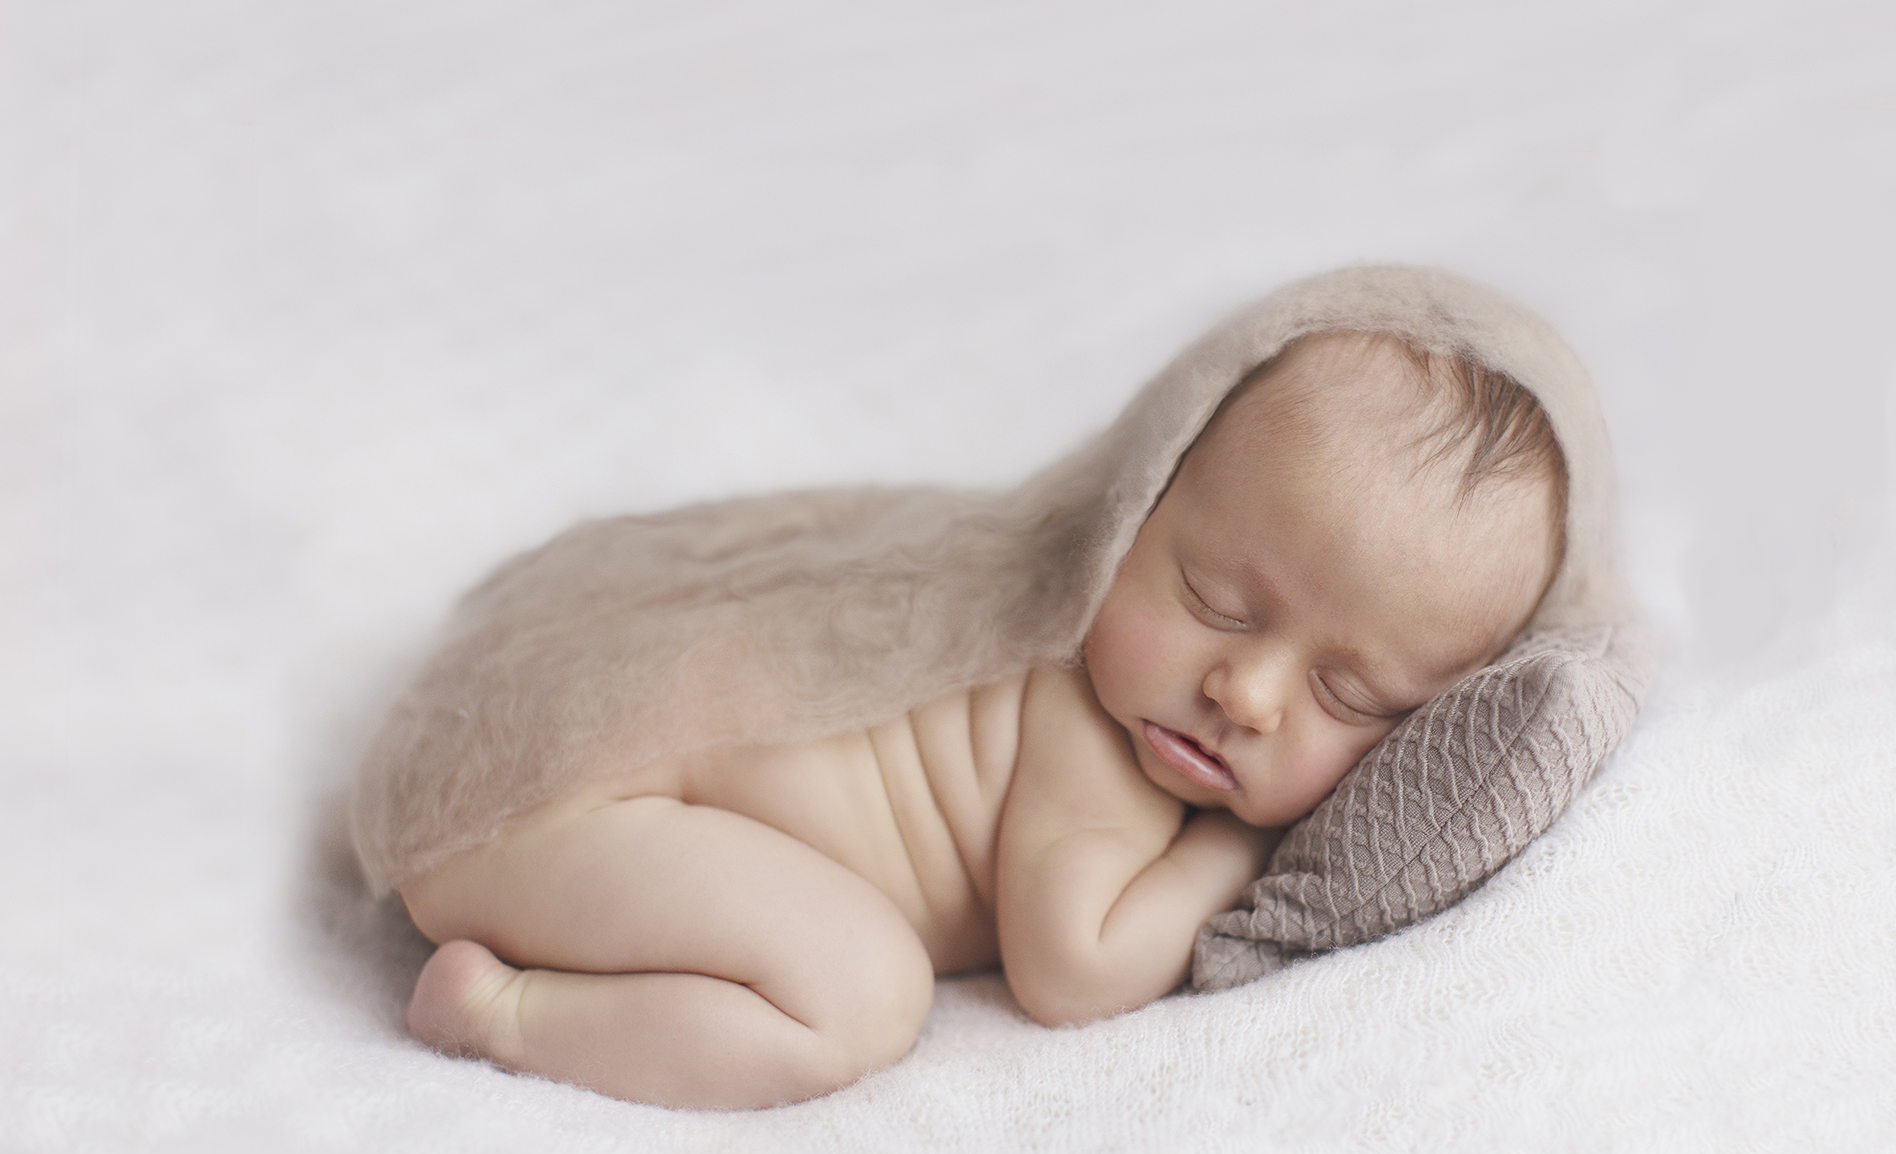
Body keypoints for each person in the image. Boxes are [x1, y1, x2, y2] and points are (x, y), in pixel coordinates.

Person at [396, 328, 1566, 1110]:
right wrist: (1236, 848)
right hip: (552, 814)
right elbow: (1075, 968)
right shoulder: (1085, 732)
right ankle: (503, 1012)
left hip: (556, 783)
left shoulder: (1164, 703)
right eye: (1213, 601)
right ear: (1131, 512)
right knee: (860, 995)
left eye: (1346, 696)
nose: (1245, 694)